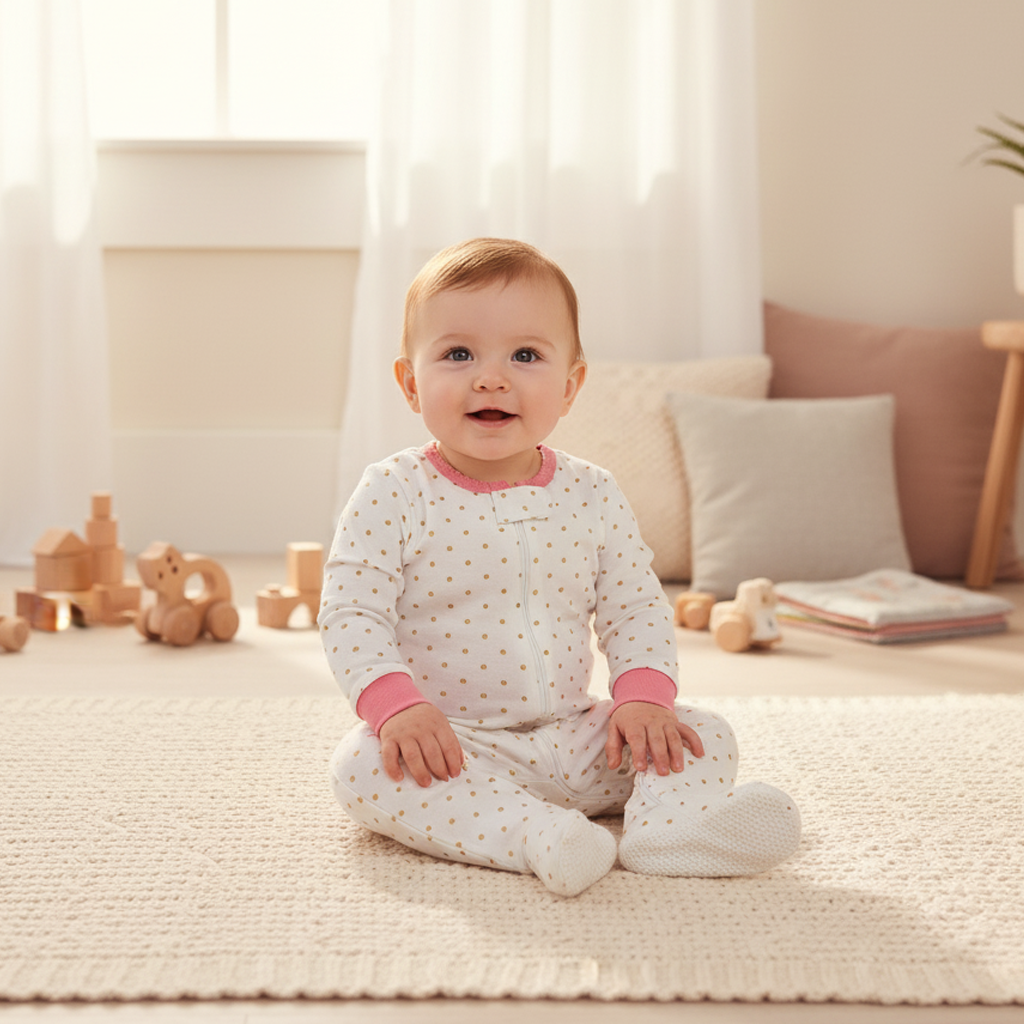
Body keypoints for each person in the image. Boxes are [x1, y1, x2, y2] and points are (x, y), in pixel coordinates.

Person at [319, 238, 800, 896]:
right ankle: (538, 835)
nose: (491, 378)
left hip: (580, 739)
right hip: (454, 745)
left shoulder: (592, 492)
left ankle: (667, 830)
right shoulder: (392, 491)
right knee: (361, 765)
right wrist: (398, 710)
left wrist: (642, 701)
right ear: (410, 383)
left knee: (700, 733)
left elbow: (634, 609)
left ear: (570, 386)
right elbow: (352, 613)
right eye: (458, 354)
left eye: (525, 355)